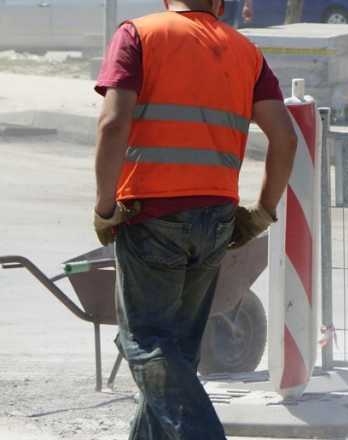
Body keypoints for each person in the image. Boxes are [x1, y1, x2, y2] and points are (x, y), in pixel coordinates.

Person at [91, 0, 297, 436]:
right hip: (216, 217)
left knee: (145, 344)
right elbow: (285, 137)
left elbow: (112, 125)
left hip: (152, 215)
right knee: (177, 353)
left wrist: (105, 209)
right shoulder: (246, 51)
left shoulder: (139, 34)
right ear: (220, 3)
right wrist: (262, 211)